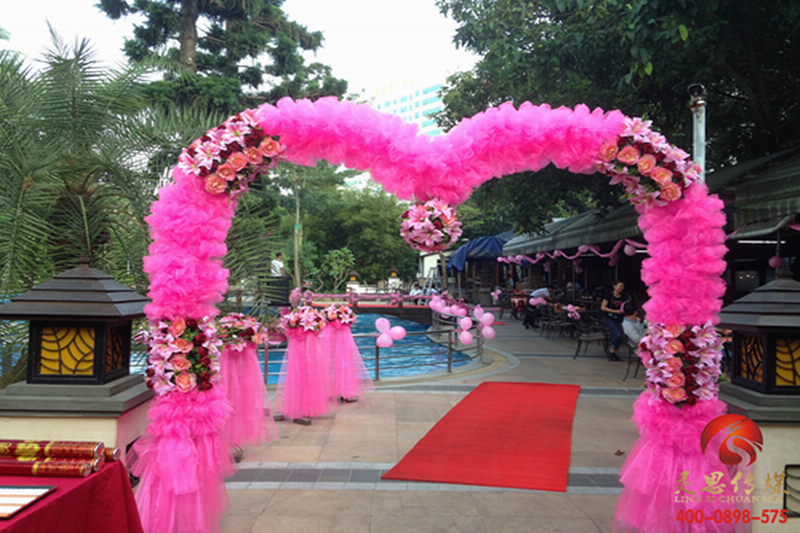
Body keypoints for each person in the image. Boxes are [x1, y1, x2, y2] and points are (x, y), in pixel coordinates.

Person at [600, 280, 627, 361]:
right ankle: (612, 350)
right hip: (608, 317)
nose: (621, 288)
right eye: (620, 286)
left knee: (621, 335)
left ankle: (615, 351)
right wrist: (615, 311)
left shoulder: (623, 297)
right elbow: (603, 307)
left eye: (622, 286)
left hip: (618, 318)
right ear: (614, 286)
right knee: (617, 334)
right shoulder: (608, 296)